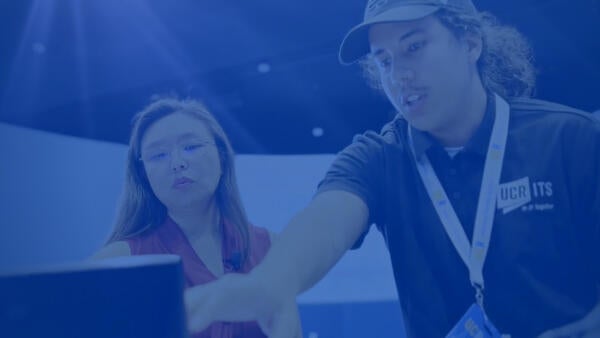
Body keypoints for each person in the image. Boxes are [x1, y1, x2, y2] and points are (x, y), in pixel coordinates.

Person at [185, 0, 600, 337]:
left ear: (471, 43)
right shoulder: (379, 157)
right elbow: (328, 218)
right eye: (384, 60)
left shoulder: (570, 138)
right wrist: (274, 281)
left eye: (414, 47)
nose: (399, 74)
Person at [93, 97, 302, 338]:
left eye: (191, 147)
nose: (177, 163)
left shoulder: (272, 249)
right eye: (158, 155)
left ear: (222, 156)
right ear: (143, 175)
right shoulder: (119, 261)